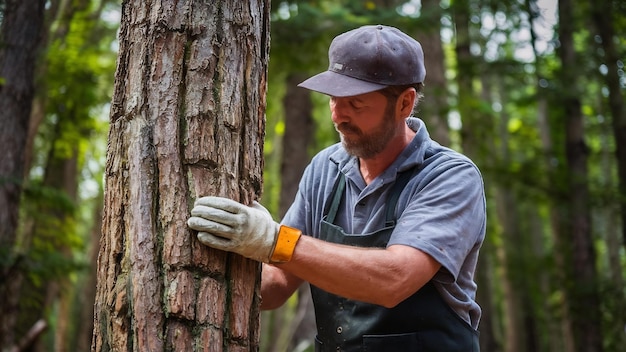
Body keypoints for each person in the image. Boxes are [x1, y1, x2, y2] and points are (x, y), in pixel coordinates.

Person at [187, 24, 485, 352]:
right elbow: (277, 284)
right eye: (333, 99)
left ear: (405, 104)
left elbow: (395, 279)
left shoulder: (449, 176)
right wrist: (218, 257)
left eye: (355, 103)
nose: (339, 116)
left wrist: (272, 241)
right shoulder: (324, 170)